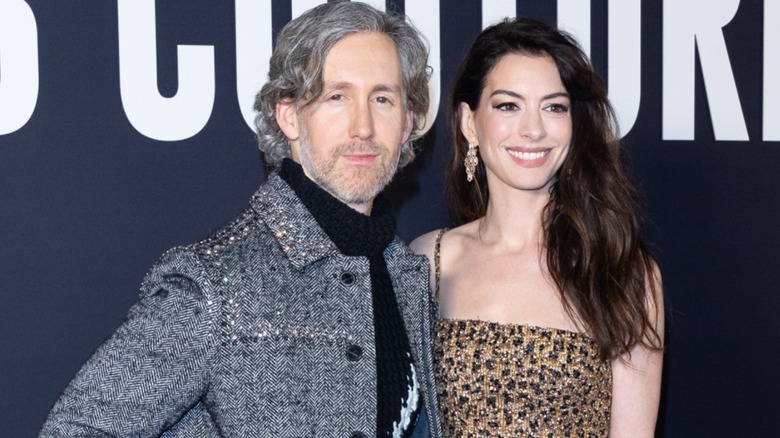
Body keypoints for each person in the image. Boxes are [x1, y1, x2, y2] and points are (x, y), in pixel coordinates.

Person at [40, 2, 443, 437]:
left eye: (382, 99)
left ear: (407, 123)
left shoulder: (407, 275)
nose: (363, 126)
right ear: (289, 115)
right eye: (337, 96)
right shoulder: (216, 284)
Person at [411, 18, 664, 437]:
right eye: (508, 105)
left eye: (554, 107)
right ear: (469, 123)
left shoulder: (623, 273)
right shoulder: (427, 263)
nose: (533, 129)